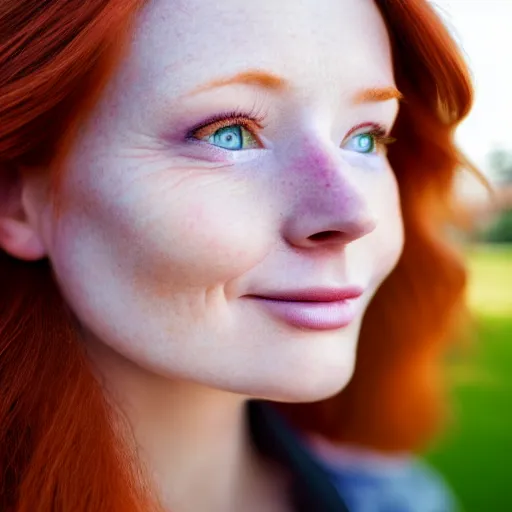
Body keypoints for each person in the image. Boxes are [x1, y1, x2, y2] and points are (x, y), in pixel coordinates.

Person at [0, 0, 475, 510]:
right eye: (229, 133)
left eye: (365, 138)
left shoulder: (403, 500)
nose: (354, 215)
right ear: (17, 198)